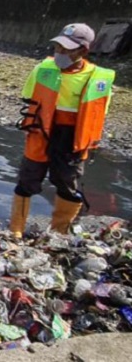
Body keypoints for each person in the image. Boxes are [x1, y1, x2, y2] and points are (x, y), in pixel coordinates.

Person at [10, 23, 114, 237]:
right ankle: (16, 230)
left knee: (67, 182)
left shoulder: (98, 79)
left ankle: (59, 232)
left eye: (66, 50)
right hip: (41, 131)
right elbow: (29, 96)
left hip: (72, 136)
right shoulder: (43, 68)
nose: (60, 53)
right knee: (27, 179)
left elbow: (99, 112)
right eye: (58, 48)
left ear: (83, 51)